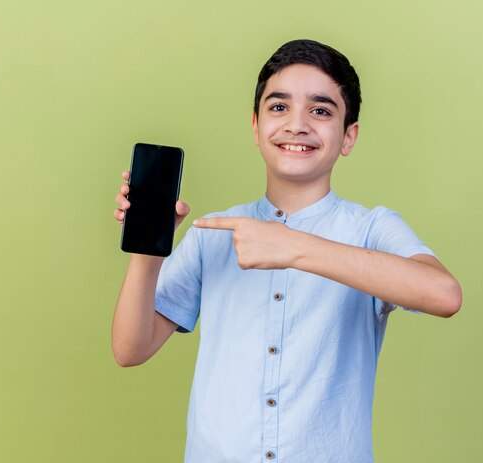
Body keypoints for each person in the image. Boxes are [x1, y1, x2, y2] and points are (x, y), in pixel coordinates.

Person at [112, 39, 462, 463]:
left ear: (349, 136)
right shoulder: (214, 233)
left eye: (320, 110)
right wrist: (149, 255)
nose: (297, 125)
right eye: (279, 108)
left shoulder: (371, 228)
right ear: (255, 126)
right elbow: (130, 350)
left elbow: (444, 295)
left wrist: (293, 246)